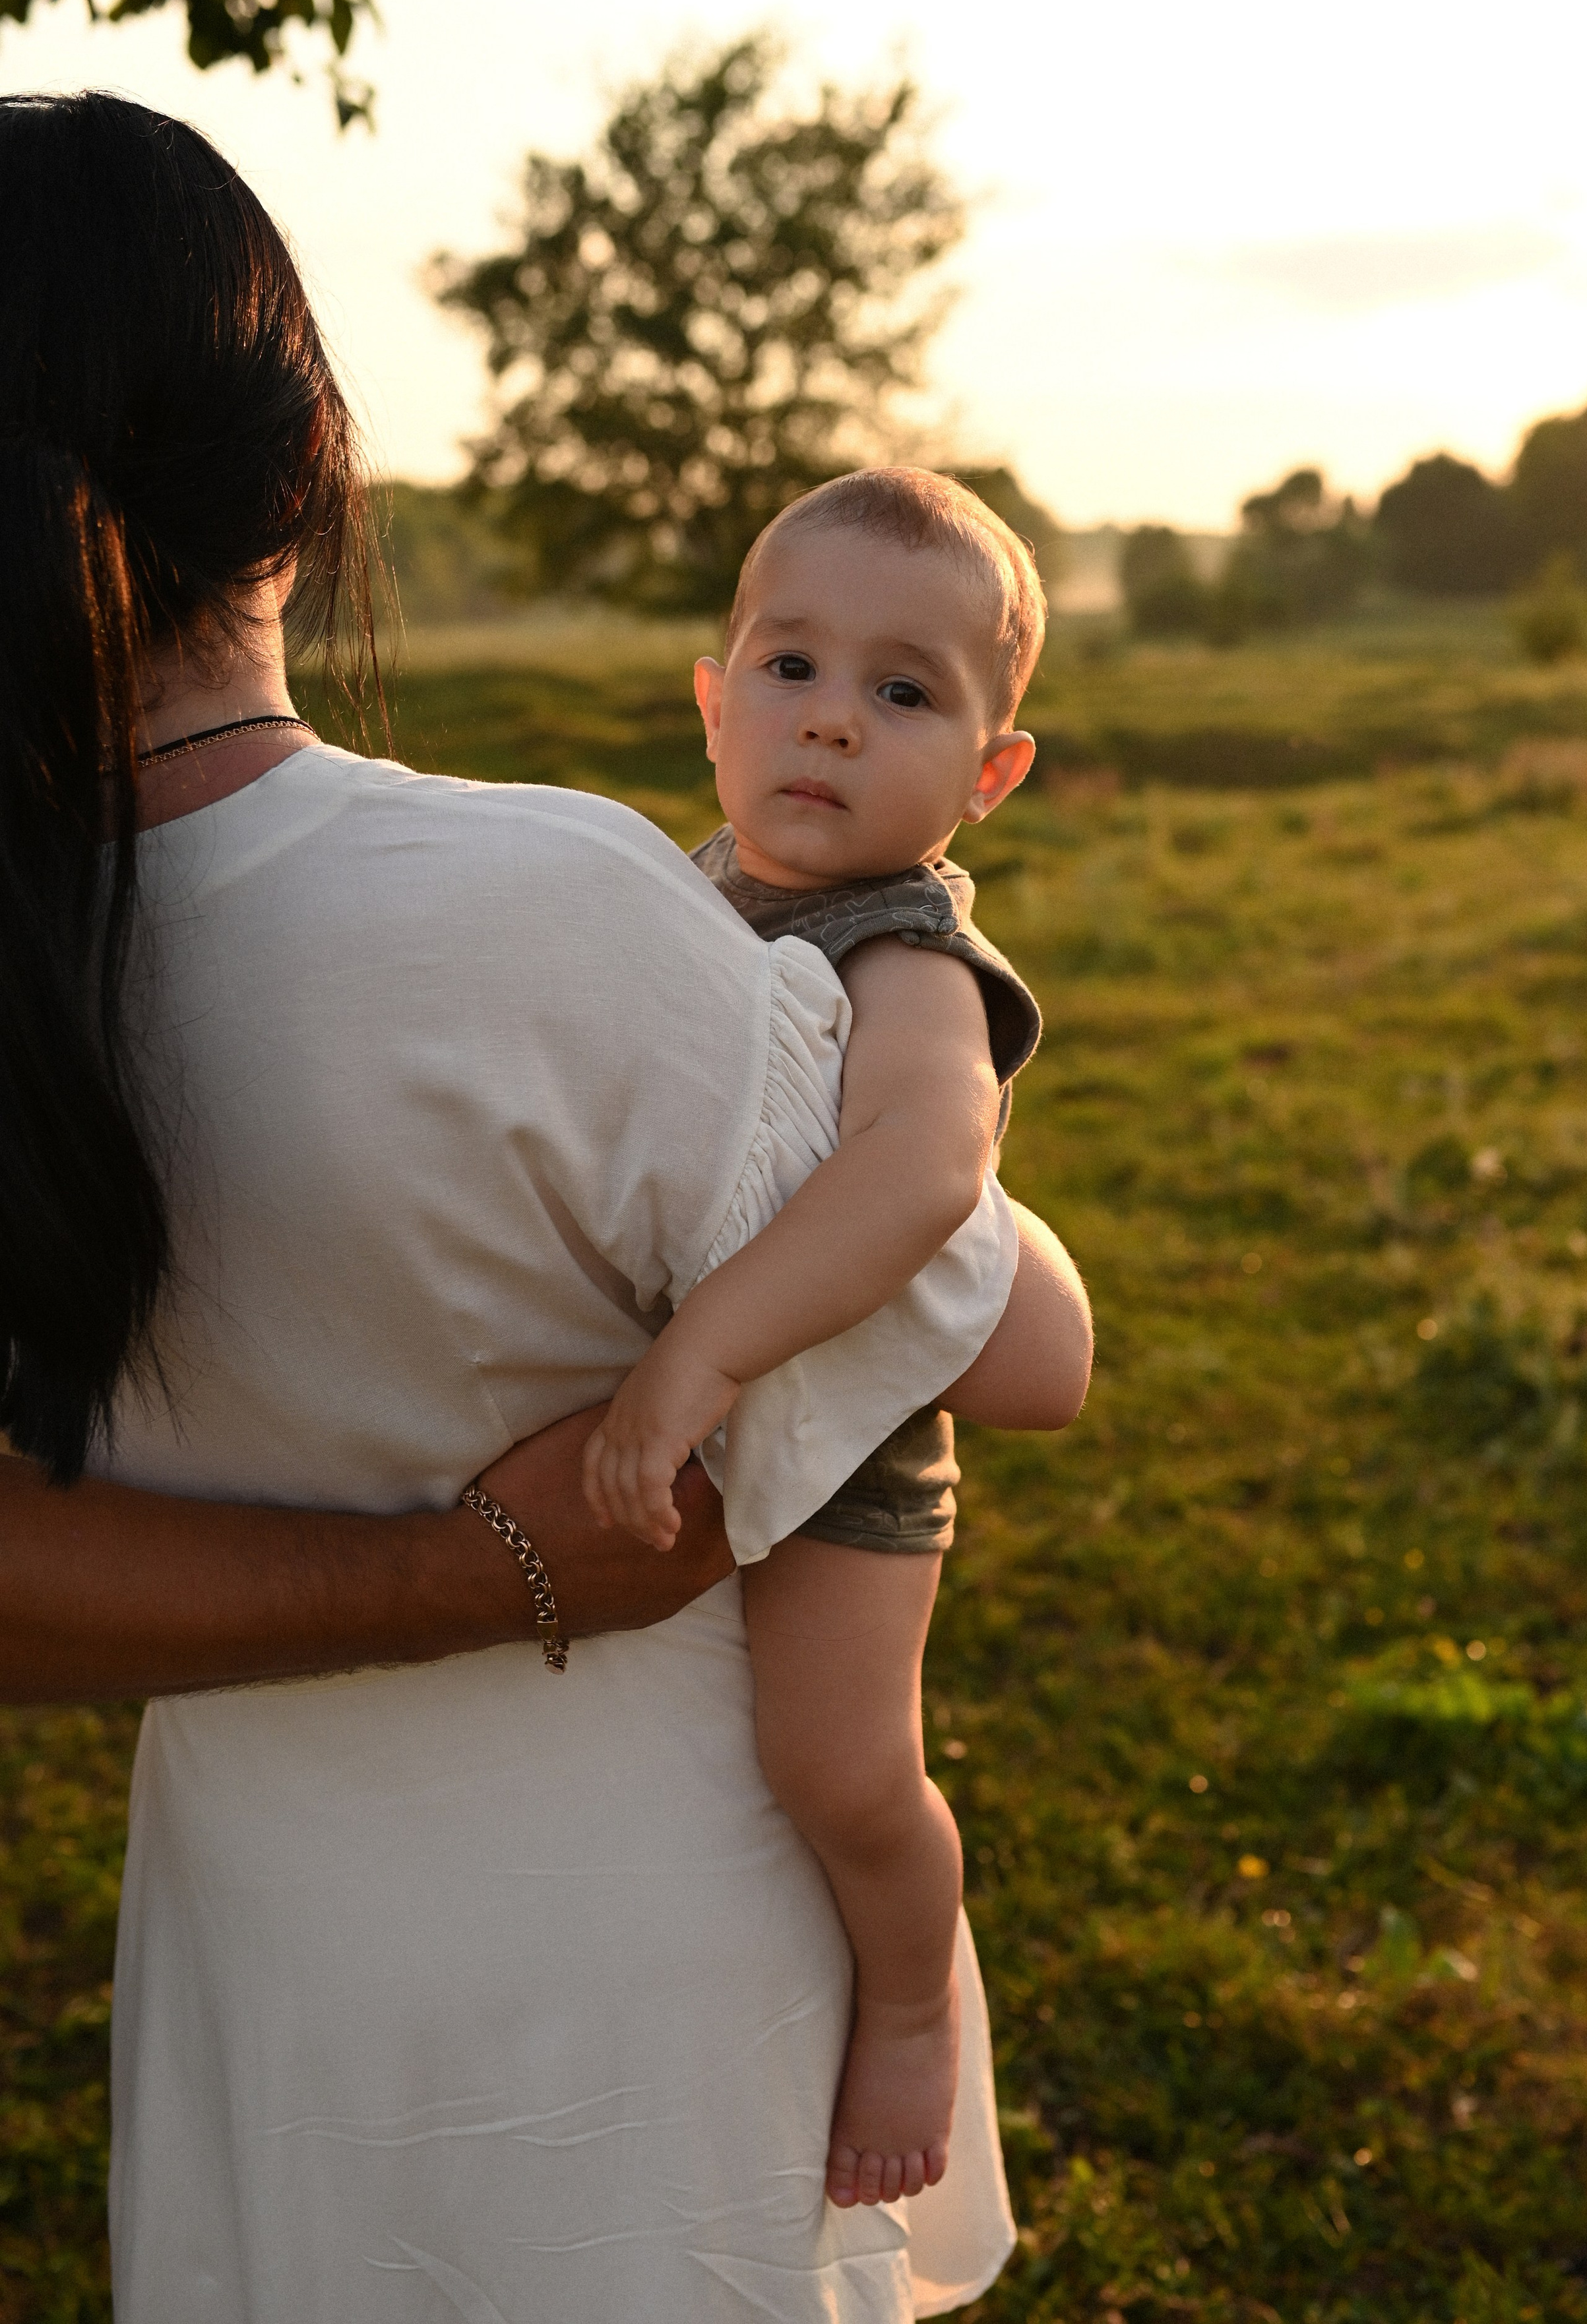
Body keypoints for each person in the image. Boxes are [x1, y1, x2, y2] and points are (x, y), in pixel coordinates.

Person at [0, 90, 1094, 2324]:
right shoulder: (558, 915)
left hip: (270, 1974)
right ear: (302, 476)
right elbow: (1031, 1350)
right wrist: (498, 1553)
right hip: (631, 1994)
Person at [583, 468, 1074, 2212]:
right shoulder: (685, 895)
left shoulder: (911, 957)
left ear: (990, 774)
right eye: (791, 668)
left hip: (853, 1446)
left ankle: (911, 2008)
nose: (833, 724)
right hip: (712, 1414)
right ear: (714, 697)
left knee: (840, 1768)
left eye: (905, 692)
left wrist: (706, 1349)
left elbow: (921, 1173)